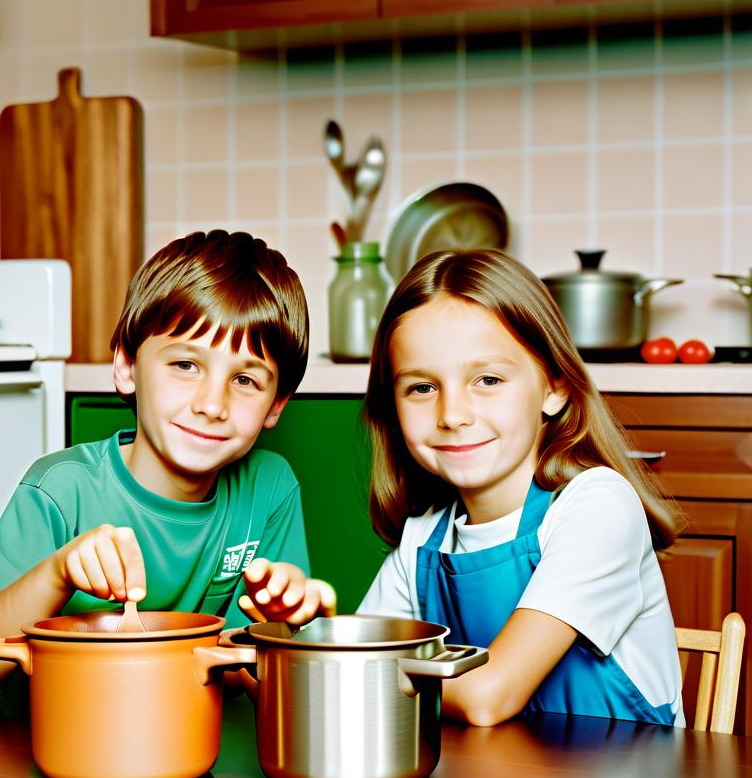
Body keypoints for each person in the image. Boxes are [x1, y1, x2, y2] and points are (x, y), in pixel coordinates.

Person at [248, 248, 686, 728]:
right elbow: (340, 674)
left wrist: (355, 669)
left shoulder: (598, 507)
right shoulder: (424, 538)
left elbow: (486, 697)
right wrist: (298, 630)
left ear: (554, 387)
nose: (453, 414)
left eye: (488, 379)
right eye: (422, 388)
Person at [0, 229, 335, 707]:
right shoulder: (61, 489)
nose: (213, 404)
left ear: (276, 405)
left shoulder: (269, 488)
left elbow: (251, 686)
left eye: (246, 379)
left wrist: (281, 630)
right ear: (127, 366)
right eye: (186, 365)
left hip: (187, 749)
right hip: (42, 750)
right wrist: (59, 573)